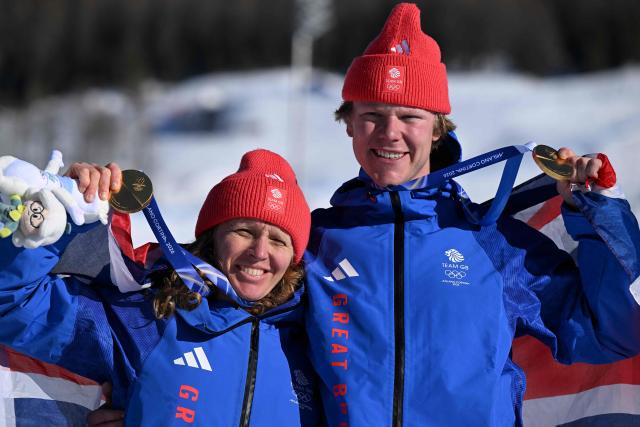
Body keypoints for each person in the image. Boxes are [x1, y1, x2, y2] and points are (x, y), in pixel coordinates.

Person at [72, 4, 640, 426]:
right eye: (371, 114)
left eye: (409, 116)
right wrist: (147, 402)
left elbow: (611, 332)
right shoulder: (313, 243)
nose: (389, 133)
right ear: (347, 122)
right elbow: (208, 312)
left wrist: (593, 213)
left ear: (438, 127)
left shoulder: (493, 243)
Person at [0, 149, 322, 426]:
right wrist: (66, 218)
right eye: (244, 231)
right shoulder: (148, 321)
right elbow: (14, 308)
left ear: (294, 258)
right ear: (213, 236)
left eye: (278, 239)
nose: (260, 251)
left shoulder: (313, 342)